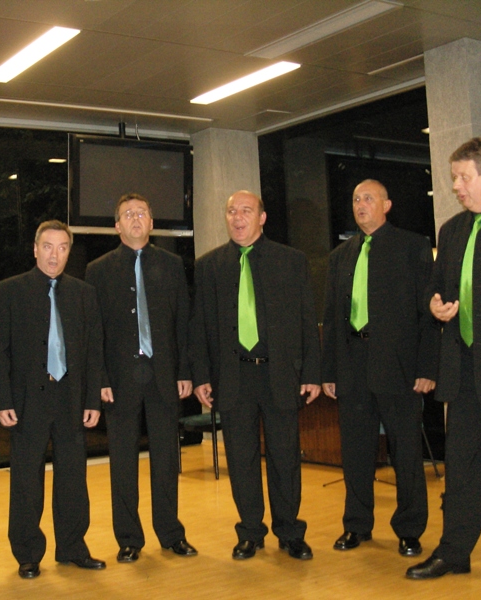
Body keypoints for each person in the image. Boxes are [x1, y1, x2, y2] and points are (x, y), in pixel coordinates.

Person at [406, 137, 481, 589]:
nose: (455, 186)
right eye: (454, 178)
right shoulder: (451, 231)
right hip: (465, 370)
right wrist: (436, 305)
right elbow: (437, 288)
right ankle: (454, 552)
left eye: (462, 177)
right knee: (462, 468)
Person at [190, 190, 321, 561]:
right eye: (231, 211)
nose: (237, 217)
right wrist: (201, 376)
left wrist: (312, 372)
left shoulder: (291, 261)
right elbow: (199, 327)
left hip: (279, 375)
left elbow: (306, 320)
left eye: (246, 210)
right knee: (241, 459)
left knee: (284, 458)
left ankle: (290, 531)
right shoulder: (209, 266)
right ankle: (250, 532)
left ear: (262, 218)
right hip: (233, 378)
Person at [322, 179, 438, 557]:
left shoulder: (413, 247)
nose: (361, 205)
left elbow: (427, 314)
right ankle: (356, 525)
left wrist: (427, 367)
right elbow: (332, 318)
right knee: (356, 452)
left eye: (368, 198)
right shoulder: (341, 256)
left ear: (386, 205)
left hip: (399, 368)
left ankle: (409, 529)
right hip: (352, 367)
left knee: (406, 452)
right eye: (356, 199)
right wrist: (329, 371)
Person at [85, 193, 196, 563]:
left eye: (142, 213)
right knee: (123, 462)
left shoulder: (172, 265)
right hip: (119, 380)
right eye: (128, 214)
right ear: (117, 226)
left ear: (151, 222)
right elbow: (94, 331)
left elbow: (183, 322)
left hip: (164, 376)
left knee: (166, 459)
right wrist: (100, 378)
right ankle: (129, 538)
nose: (135, 218)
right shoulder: (98, 270)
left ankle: (171, 533)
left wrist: (185, 371)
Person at [0, 220, 106, 580]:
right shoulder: (10, 290)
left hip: (71, 399)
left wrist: (92, 399)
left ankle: (72, 547)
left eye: (62, 247)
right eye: (48, 246)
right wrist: (2, 400)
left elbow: (94, 351)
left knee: (73, 478)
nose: (54, 255)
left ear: (69, 252)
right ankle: (27, 554)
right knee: (26, 480)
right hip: (27, 402)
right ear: (35, 249)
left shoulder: (83, 293)